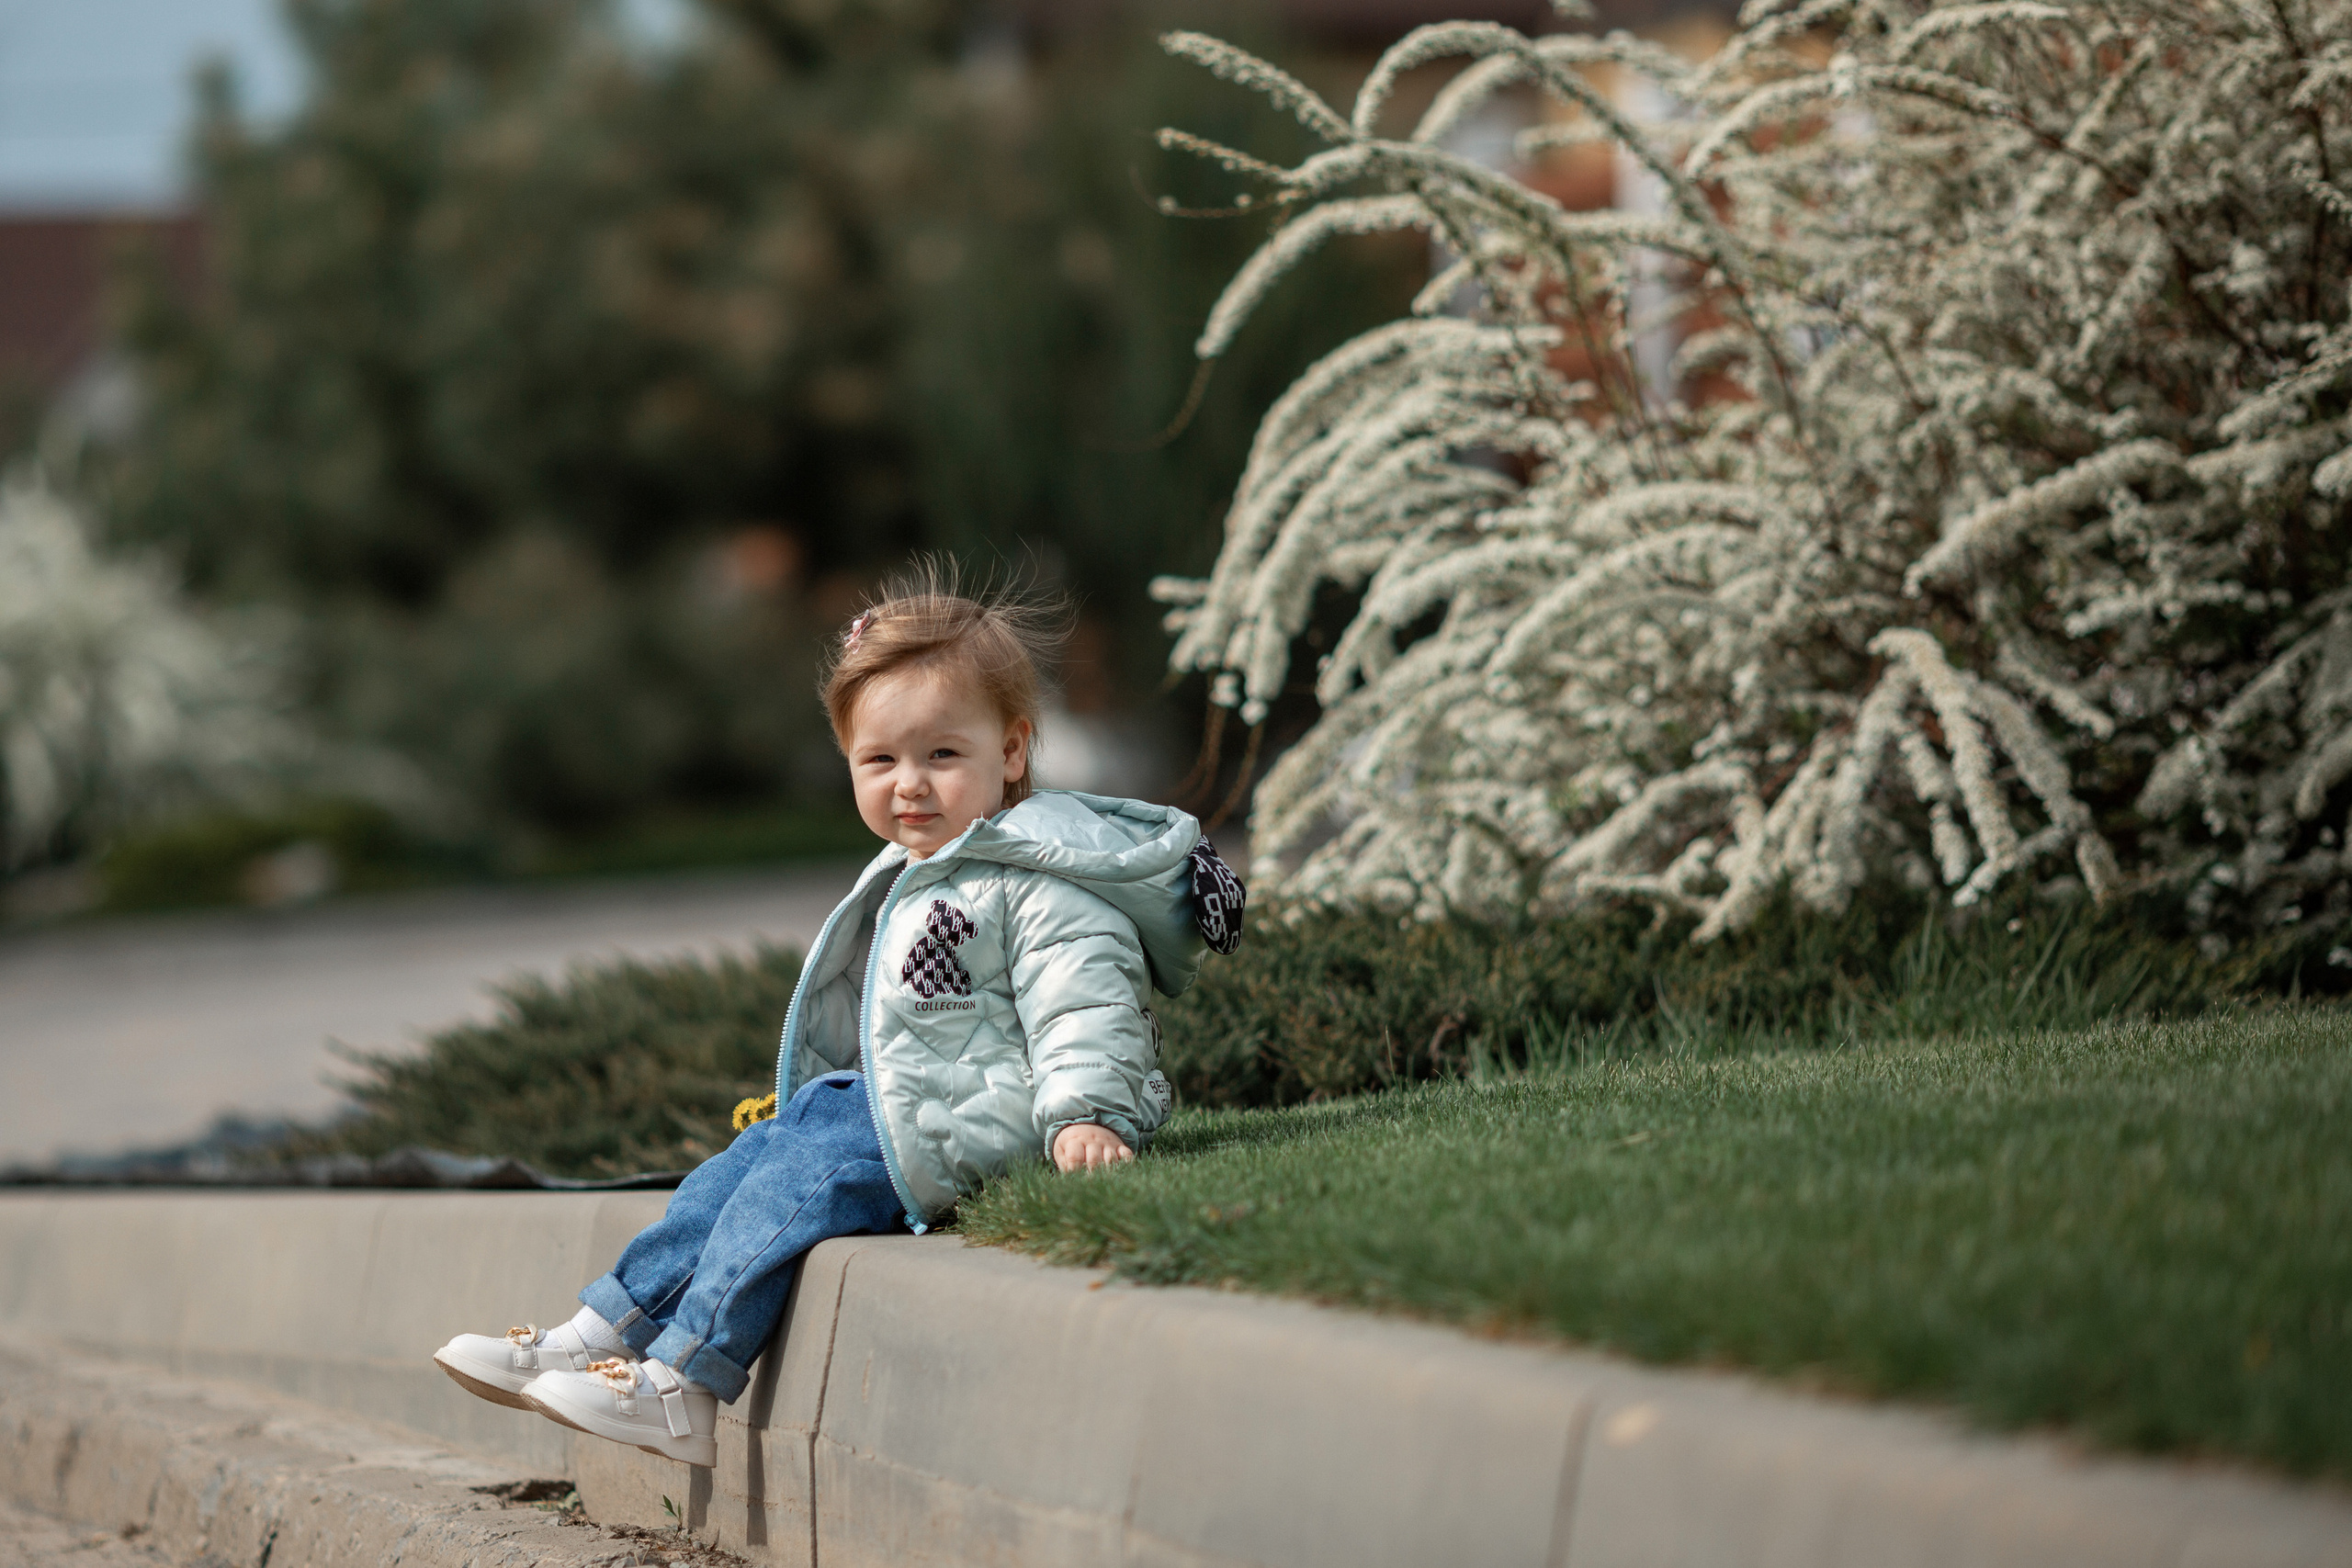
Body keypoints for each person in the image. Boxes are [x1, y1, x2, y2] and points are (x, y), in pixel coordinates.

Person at [429, 570, 1243, 1466]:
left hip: (981, 1125)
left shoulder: (1038, 879)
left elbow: (1083, 1003)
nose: (910, 786)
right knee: (741, 1169)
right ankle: (597, 1330)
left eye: (942, 755)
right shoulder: (930, 864)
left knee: (798, 1183)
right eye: (880, 761)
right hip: (913, 1106)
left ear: (1011, 753)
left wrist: (1085, 1115)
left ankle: (683, 1385)